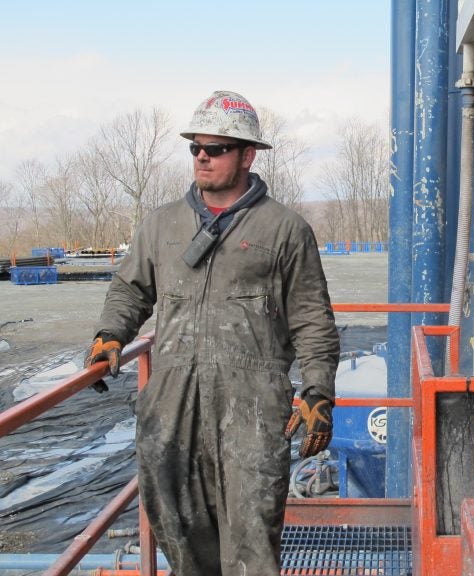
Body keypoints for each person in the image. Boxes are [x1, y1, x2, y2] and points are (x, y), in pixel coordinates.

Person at [84, 90, 340, 576]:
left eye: (217, 147)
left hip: (251, 406)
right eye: (196, 147)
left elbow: (312, 319)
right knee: (177, 526)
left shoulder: (284, 230)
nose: (202, 156)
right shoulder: (162, 225)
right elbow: (130, 289)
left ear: (247, 155)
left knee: (251, 532)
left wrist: (318, 390)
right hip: (172, 403)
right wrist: (110, 334)